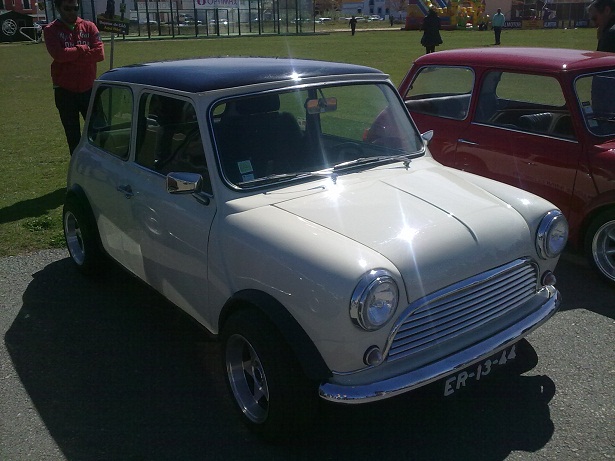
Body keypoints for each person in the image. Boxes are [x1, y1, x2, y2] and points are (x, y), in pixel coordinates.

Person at [44, 0, 105, 155]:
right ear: (58, 8)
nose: (72, 12)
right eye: (67, 8)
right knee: (73, 137)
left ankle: (100, 164)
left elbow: (99, 54)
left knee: (101, 132)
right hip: (65, 92)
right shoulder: (51, 30)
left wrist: (71, 56)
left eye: (75, 8)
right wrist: (83, 48)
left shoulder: (89, 26)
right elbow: (59, 55)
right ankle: (78, 165)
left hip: (89, 89)